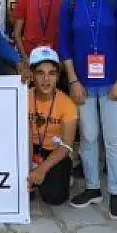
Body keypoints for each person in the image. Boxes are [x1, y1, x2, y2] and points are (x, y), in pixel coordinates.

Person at [60, 0, 117, 219]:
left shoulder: (116, 2)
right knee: (88, 137)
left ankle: (115, 192)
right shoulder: (69, 4)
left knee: (113, 140)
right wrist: (73, 80)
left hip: (113, 80)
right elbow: (64, 45)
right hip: (82, 82)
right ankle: (92, 187)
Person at [27, 47, 78, 206]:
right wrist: (28, 167)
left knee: (54, 197)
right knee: (22, 194)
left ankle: (61, 175)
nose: (46, 79)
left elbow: (66, 145)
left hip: (56, 151)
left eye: (52, 73)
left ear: (58, 76)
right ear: (32, 75)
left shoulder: (67, 104)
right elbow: (24, 136)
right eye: (40, 73)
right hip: (29, 148)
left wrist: (41, 170)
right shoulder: (23, 98)